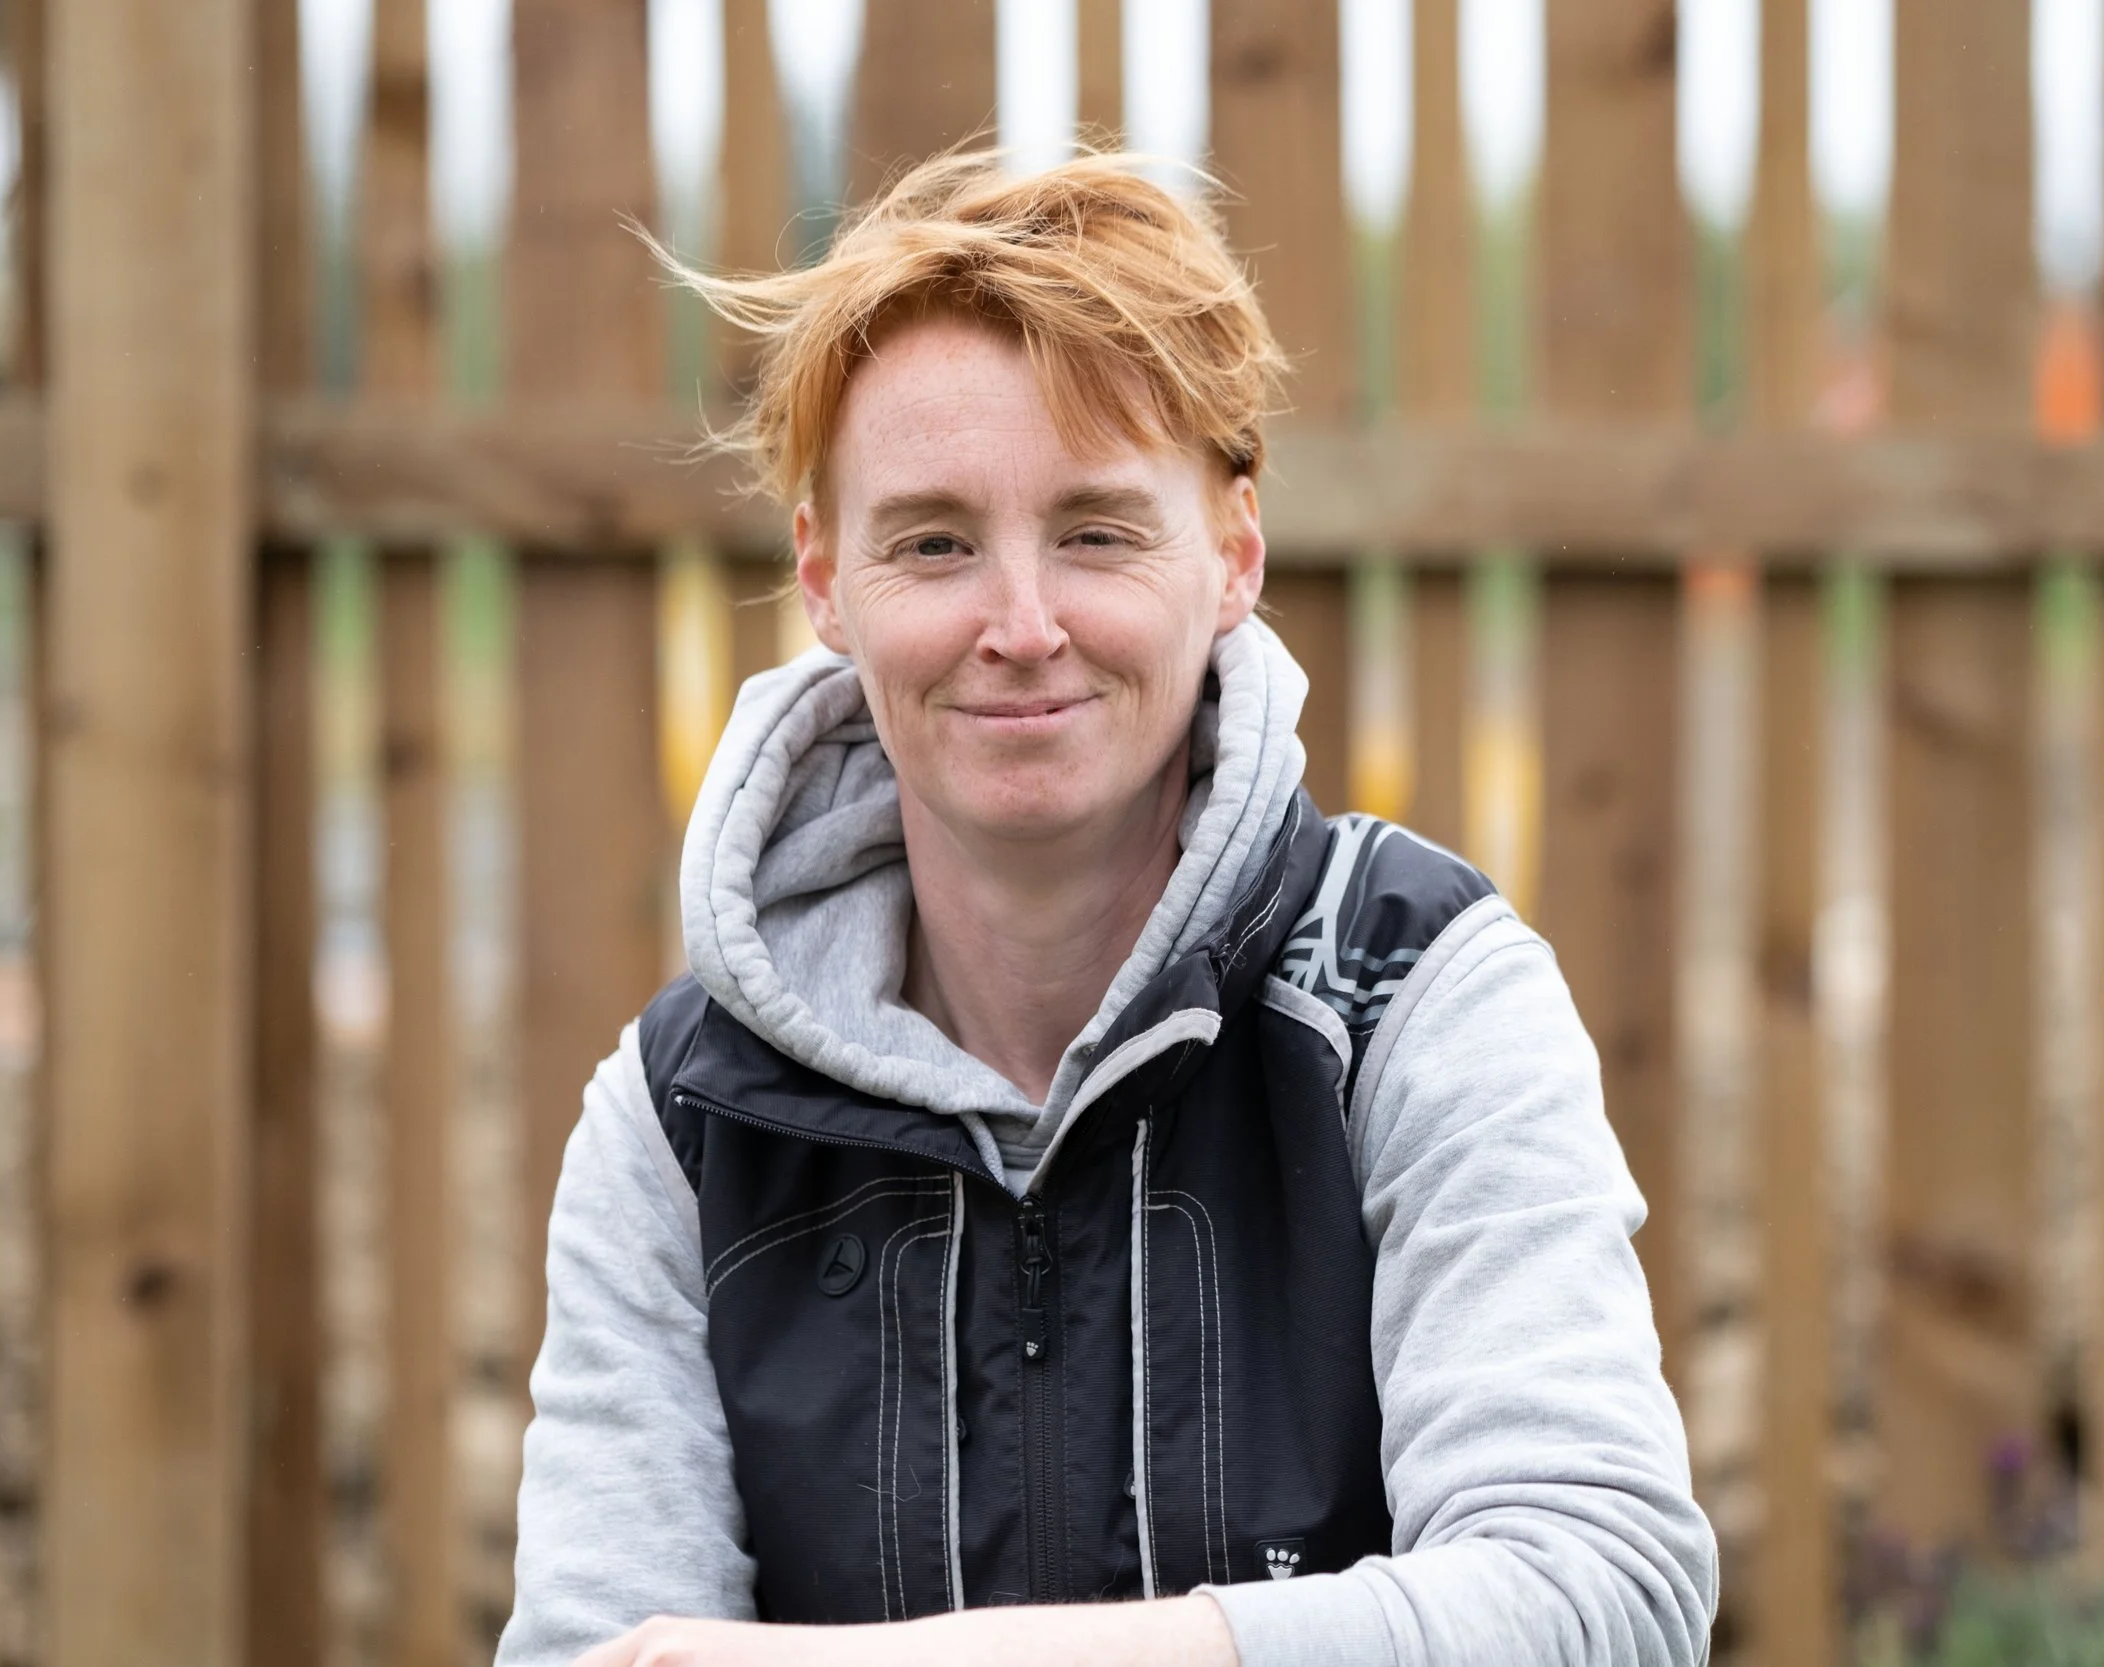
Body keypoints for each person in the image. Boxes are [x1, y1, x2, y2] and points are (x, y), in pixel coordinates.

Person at [498, 150, 1716, 1667]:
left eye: (1097, 530)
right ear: (824, 577)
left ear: (1234, 553)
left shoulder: (1418, 995)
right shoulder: (682, 1123)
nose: (1021, 626)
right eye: (934, 540)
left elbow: (1598, 1596)